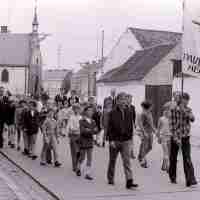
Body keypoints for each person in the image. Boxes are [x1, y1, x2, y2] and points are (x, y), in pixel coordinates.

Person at [107, 92, 138, 189]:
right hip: (115, 140)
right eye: (122, 99)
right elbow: (110, 127)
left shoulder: (129, 111)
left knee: (127, 161)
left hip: (126, 141)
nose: (124, 101)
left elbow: (130, 126)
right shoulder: (112, 112)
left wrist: (130, 138)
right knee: (112, 160)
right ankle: (110, 178)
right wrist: (111, 140)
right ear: (117, 101)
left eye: (125, 99)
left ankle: (129, 181)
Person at [169, 92, 197, 187]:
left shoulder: (188, 110)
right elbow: (171, 126)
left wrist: (184, 111)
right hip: (175, 137)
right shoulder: (173, 110)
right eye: (185, 100)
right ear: (180, 100)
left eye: (187, 100)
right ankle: (172, 177)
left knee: (187, 158)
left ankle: (190, 180)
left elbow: (193, 119)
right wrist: (175, 138)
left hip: (185, 137)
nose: (186, 102)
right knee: (173, 158)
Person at [76, 105, 98, 180]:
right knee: (82, 157)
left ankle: (88, 173)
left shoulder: (93, 121)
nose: (90, 112)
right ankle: (78, 167)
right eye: (89, 110)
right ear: (85, 112)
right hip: (83, 141)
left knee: (89, 158)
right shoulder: (81, 121)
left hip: (90, 141)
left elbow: (96, 130)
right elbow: (83, 131)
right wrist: (91, 130)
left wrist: (89, 130)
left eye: (91, 111)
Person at [137, 101, 156, 168]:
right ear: (148, 107)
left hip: (150, 132)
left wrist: (154, 131)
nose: (152, 107)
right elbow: (140, 124)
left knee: (150, 147)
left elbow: (151, 124)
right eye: (151, 106)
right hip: (145, 132)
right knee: (144, 146)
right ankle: (143, 162)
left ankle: (141, 156)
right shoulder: (143, 114)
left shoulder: (149, 113)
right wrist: (144, 132)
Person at [67, 104, 82, 172]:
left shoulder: (81, 118)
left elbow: (81, 127)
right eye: (75, 109)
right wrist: (74, 130)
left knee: (79, 152)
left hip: (79, 136)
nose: (76, 110)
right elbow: (70, 127)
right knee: (73, 152)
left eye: (77, 109)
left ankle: (78, 165)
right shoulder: (71, 117)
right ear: (73, 110)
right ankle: (74, 166)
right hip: (73, 136)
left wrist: (78, 129)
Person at [157, 106, 171, 172]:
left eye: (169, 110)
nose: (168, 112)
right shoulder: (161, 119)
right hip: (163, 137)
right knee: (166, 152)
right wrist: (158, 137)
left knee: (168, 152)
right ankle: (168, 167)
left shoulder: (171, 119)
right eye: (166, 110)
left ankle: (164, 166)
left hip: (170, 137)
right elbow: (158, 129)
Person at [126, 94, 136, 159]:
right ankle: (127, 153)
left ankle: (131, 153)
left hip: (131, 125)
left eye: (131, 99)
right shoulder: (124, 107)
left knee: (131, 139)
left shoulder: (132, 107)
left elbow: (134, 116)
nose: (131, 100)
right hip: (125, 125)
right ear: (127, 99)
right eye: (129, 98)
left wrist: (134, 124)